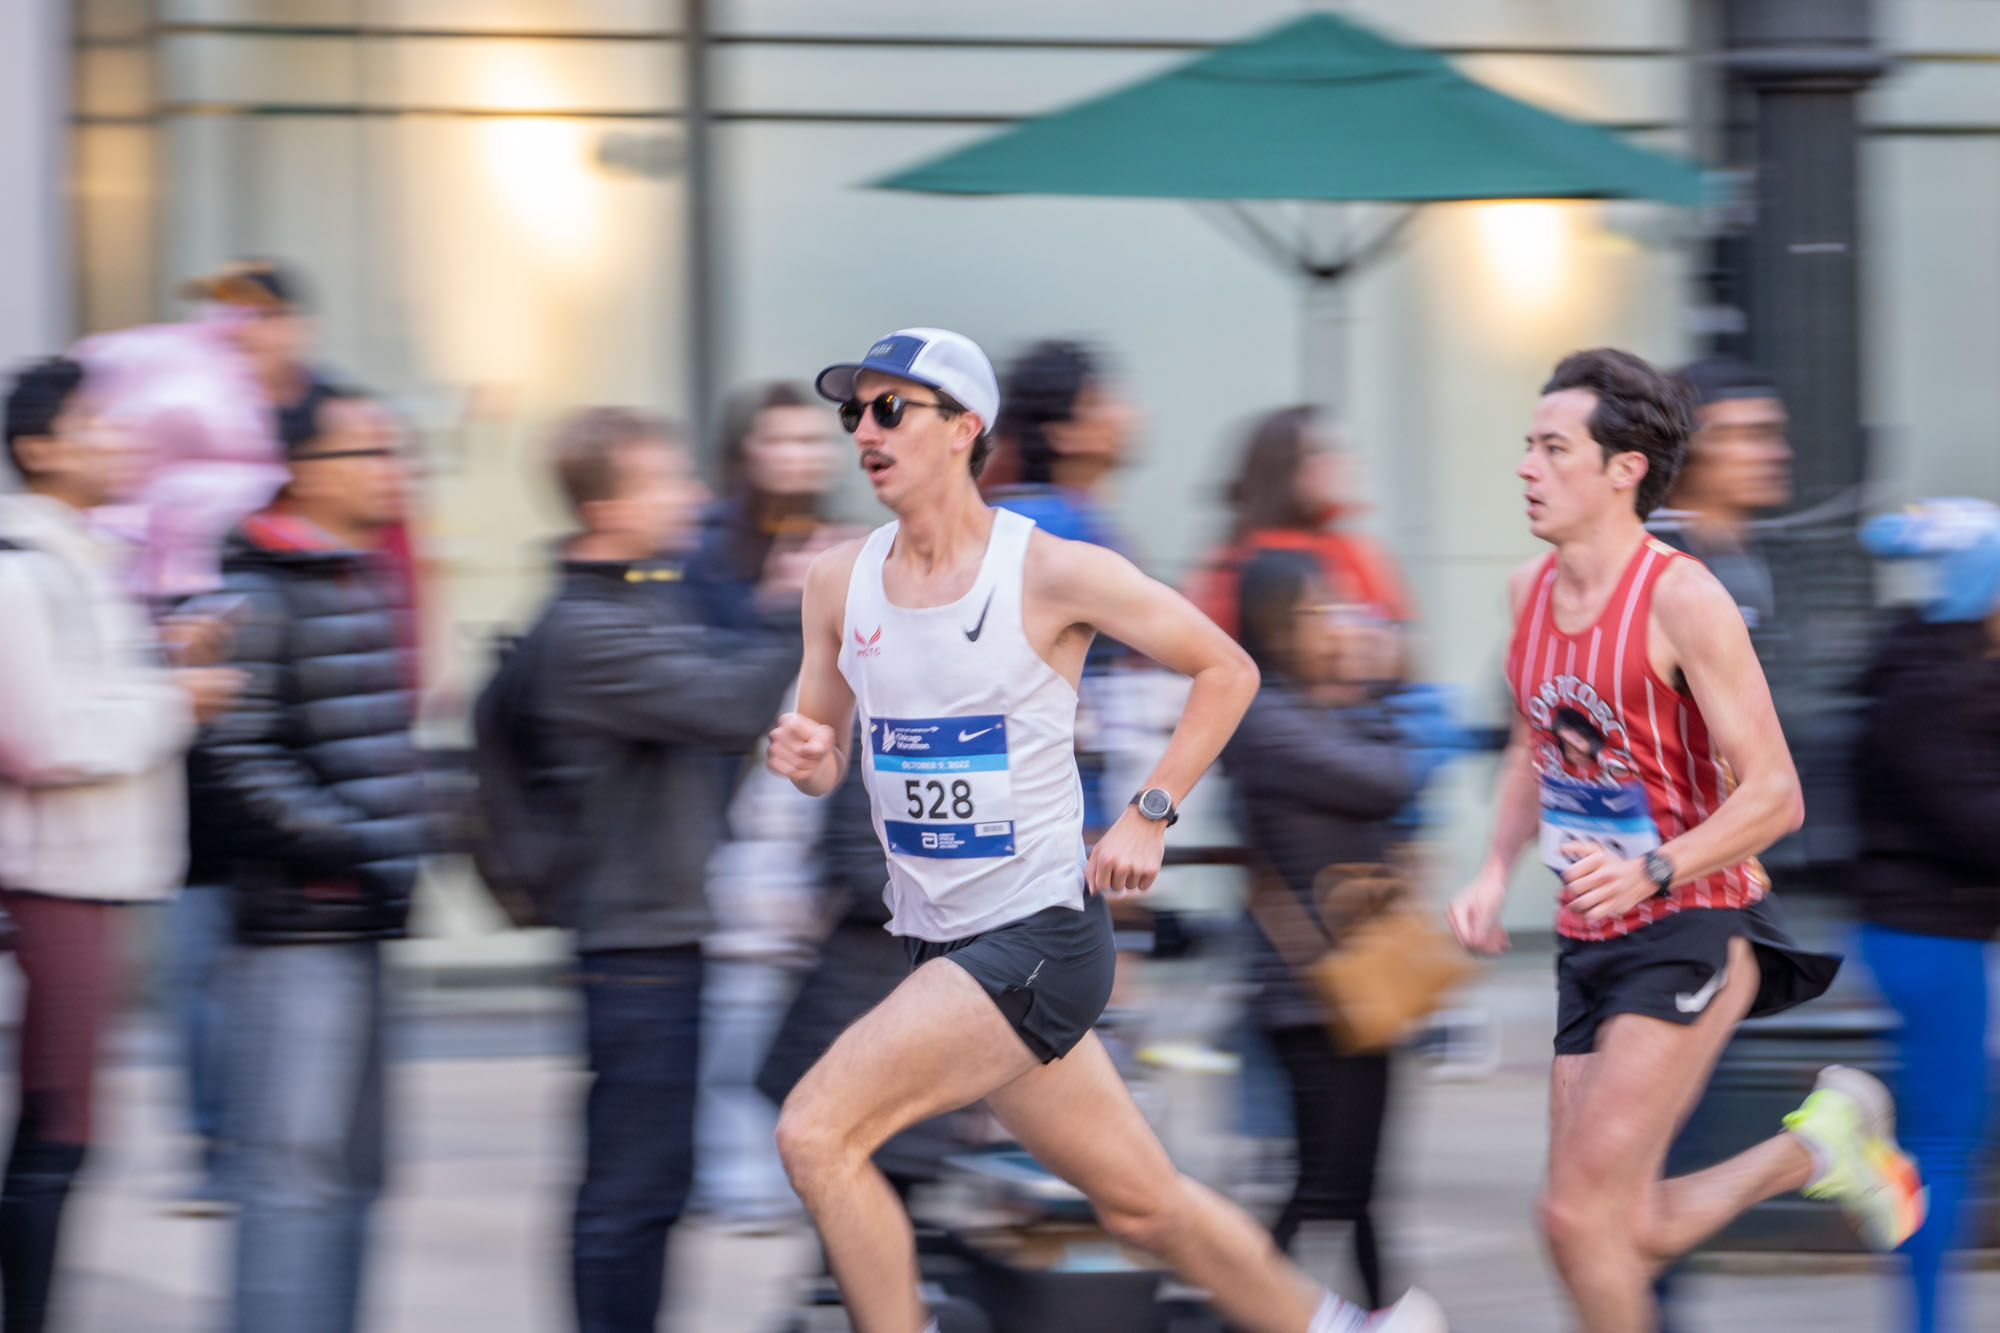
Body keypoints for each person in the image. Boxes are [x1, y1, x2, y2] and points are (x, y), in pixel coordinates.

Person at [766, 326, 1444, 1333]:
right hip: (941, 949)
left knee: (816, 1132)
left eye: (889, 409)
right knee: (1143, 1203)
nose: (863, 430)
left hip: (1036, 938)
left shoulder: (1050, 570)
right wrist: (810, 758)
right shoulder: (837, 581)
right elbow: (825, 744)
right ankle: (1345, 1326)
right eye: (852, 413)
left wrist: (1148, 812)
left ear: (963, 429)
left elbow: (1228, 668)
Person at [1444, 348, 1923, 1332]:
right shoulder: (1523, 596)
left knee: (1579, 1212)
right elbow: (1531, 746)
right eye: (1524, 446)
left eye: (1550, 447)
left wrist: (1652, 866)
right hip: (1591, 935)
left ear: (1622, 469)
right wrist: (1491, 868)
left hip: (1694, 923)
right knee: (1594, 1225)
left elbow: (1775, 793)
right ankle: (1819, 1146)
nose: (1525, 467)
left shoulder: (1680, 598)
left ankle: (1823, 1146)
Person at [509, 408, 804, 1332]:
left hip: (668, 928)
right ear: (603, 507)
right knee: (630, 1194)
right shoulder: (586, 630)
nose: (692, 494)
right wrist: (798, 612)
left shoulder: (645, 593)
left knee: (656, 1185)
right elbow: (727, 704)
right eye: (662, 480)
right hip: (633, 943)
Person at [0, 358, 238, 1333]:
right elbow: (43, 741)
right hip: (55, 874)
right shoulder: (23, 569)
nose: (119, 438)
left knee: (62, 1125)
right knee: (59, 1126)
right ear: (38, 449)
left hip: (92, 875)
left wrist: (164, 661)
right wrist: (173, 698)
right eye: (93, 424)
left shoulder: (82, 562)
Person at [194, 382, 431, 1333]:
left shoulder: (356, 575)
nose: (391, 474)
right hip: (293, 930)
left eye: (393, 452)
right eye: (367, 455)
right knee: (290, 1177)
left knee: (356, 1174)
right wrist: (360, 838)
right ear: (304, 468)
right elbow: (232, 759)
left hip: (360, 917)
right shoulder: (257, 593)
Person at [1222, 550, 1419, 1309]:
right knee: (1325, 1184)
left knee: (1360, 1188)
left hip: (1360, 979)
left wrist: (1367, 690)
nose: (1337, 624)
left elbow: (1386, 778)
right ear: (1280, 625)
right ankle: (1243, 1308)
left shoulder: (1312, 706)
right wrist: (1382, 684)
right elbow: (1388, 781)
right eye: (1318, 612)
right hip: (1309, 993)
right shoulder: (1266, 719)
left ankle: (1380, 1316)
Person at [682, 383, 839, 1229]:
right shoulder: (713, 555)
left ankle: (793, 1159)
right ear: (745, 452)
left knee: (803, 995)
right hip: (737, 807)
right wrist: (779, 608)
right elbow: (711, 681)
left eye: (811, 441)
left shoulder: (844, 542)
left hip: (820, 807)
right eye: (779, 441)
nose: (800, 458)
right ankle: (733, 1169)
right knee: (738, 999)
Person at [1851, 499, 2000, 1333]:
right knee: (1941, 1146)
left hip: (1926, 929)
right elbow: (1978, 824)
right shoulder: (1937, 686)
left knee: (1936, 1140)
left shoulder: (1928, 668)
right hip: (1929, 935)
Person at [1189, 406, 1411, 641]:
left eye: (1347, 450)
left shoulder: (1358, 549)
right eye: (1322, 451)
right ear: (1282, 465)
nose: (1346, 462)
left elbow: (1401, 645)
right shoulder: (1236, 558)